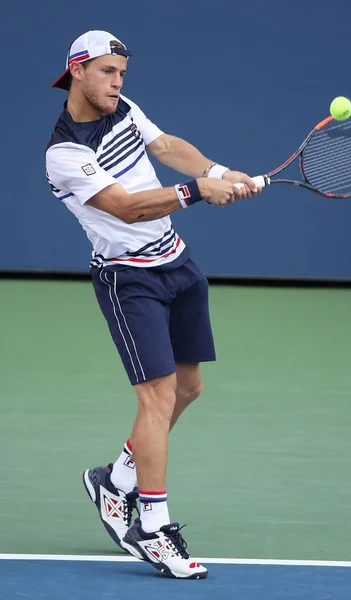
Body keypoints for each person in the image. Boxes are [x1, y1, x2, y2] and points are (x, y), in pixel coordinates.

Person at [45, 30, 261, 580]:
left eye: (122, 72)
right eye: (107, 72)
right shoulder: (66, 153)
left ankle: (114, 480)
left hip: (178, 265)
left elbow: (164, 146)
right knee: (157, 401)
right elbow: (126, 209)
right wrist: (193, 194)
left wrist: (214, 172)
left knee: (188, 388)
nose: (118, 82)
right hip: (128, 280)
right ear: (77, 72)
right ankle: (152, 526)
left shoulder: (124, 109)